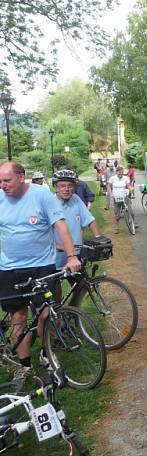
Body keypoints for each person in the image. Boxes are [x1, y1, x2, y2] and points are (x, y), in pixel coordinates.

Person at [0, 161, 80, 383]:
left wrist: (72, 256)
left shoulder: (41, 195)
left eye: (6, 180)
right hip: (9, 268)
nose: (2, 185)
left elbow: (61, 226)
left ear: (21, 177)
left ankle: (46, 353)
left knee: (45, 313)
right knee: (19, 316)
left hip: (41, 266)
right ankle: (25, 366)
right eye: (0, 181)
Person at [52, 170, 101, 265]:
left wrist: (99, 239)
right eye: (62, 186)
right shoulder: (50, 204)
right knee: (54, 279)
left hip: (76, 254)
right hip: (55, 257)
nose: (67, 189)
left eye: (70, 185)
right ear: (56, 187)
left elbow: (90, 220)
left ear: (75, 187)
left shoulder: (75, 199)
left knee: (83, 280)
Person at [107, 165, 134, 234]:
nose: (120, 174)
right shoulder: (112, 178)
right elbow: (109, 186)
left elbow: (128, 186)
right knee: (117, 213)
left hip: (124, 195)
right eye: (119, 173)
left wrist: (131, 189)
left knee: (130, 210)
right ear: (116, 172)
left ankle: (132, 222)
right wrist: (110, 194)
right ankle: (117, 227)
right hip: (116, 196)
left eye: (122, 172)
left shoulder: (126, 178)